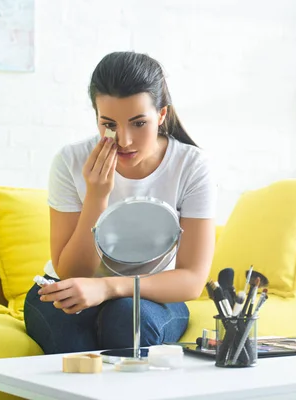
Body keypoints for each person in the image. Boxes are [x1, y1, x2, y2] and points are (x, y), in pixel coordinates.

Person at [23, 51, 217, 355]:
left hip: (151, 297)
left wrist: (109, 287)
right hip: (68, 288)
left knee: (126, 318)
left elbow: (192, 280)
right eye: (109, 124)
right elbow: (71, 271)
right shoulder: (70, 161)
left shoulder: (191, 166)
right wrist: (96, 196)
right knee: (76, 346)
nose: (124, 140)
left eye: (139, 123)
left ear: (161, 115)